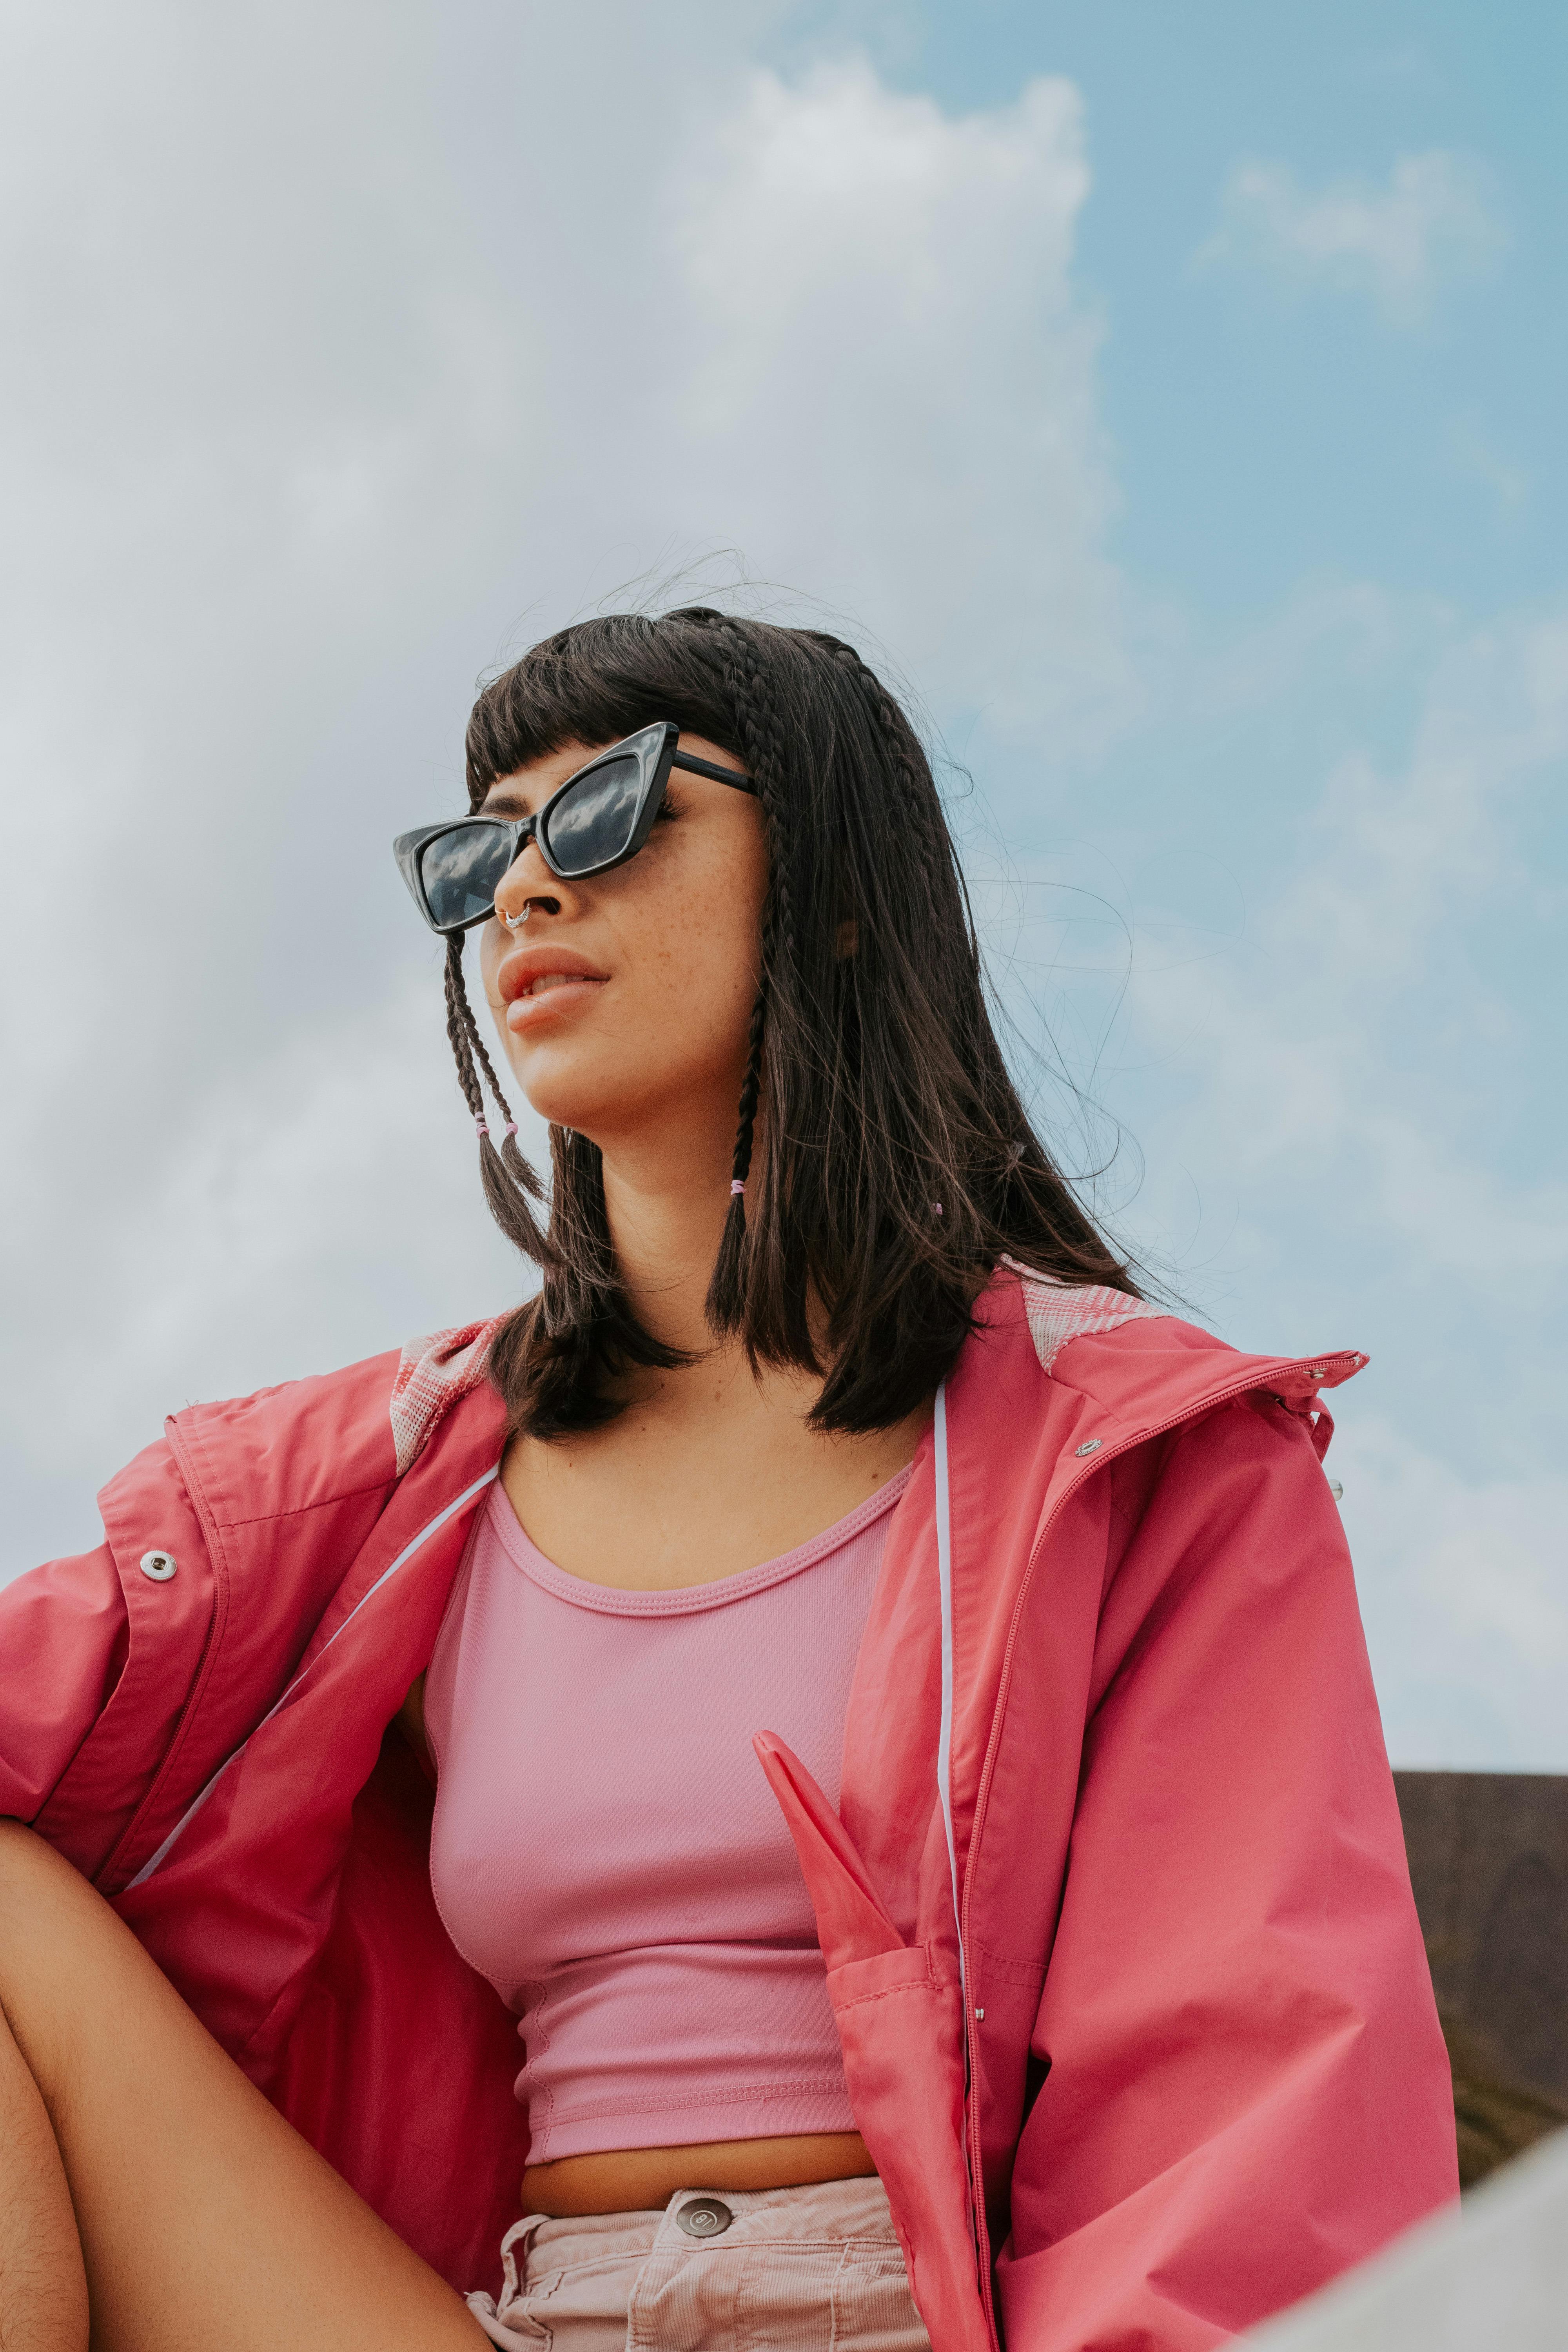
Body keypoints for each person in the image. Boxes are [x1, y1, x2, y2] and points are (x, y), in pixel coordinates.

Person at [0, 609, 1456, 2352]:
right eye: (481, 855)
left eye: (612, 811)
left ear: (840, 885)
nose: (528, 892)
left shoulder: (1134, 1458)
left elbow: (1248, 2106)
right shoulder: (376, 1491)